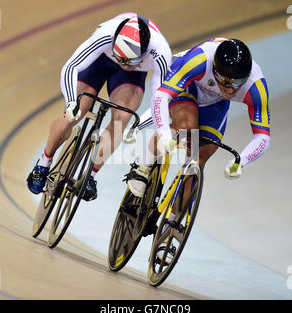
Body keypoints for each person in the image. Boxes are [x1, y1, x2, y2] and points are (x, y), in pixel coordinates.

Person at [125, 38, 271, 249]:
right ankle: (143, 167)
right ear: (214, 69)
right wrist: (165, 132)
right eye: (225, 82)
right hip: (186, 87)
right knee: (184, 127)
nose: (231, 90)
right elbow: (160, 97)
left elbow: (263, 136)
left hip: (215, 105)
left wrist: (242, 161)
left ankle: (173, 223)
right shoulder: (200, 60)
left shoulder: (255, 86)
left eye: (237, 84)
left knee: (197, 160)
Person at [26, 12, 172, 201]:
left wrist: (138, 126)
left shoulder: (160, 53)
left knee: (122, 119)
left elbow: (161, 99)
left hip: (131, 76)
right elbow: (71, 67)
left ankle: (90, 176)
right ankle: (44, 163)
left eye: (130, 61)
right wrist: (71, 102)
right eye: (120, 58)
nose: (123, 64)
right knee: (77, 111)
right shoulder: (106, 35)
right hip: (100, 61)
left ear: (144, 54)